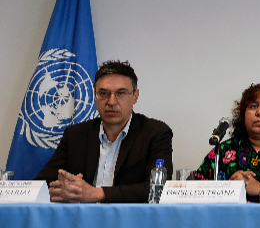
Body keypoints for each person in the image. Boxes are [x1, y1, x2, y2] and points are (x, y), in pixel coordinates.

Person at [36, 60, 173, 203]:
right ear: (95, 96)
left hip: (129, 216)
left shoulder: (155, 133)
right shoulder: (75, 135)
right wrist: (64, 189)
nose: (111, 102)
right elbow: (42, 183)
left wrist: (97, 193)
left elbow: (158, 188)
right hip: (81, 215)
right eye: (104, 93)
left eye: (121, 93)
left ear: (135, 96)